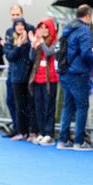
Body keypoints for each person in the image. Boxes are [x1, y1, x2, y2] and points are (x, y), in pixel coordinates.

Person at [57, 4, 93, 151]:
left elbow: (74, 49)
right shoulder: (84, 30)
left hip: (65, 71)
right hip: (78, 73)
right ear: (88, 15)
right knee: (82, 106)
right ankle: (79, 141)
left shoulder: (68, 28)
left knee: (68, 106)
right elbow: (86, 53)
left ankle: (63, 140)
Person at [2, 4, 35, 138]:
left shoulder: (30, 29)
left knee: (27, 103)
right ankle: (17, 128)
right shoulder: (9, 32)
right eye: (13, 15)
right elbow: (8, 53)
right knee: (11, 101)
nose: (15, 17)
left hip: (27, 73)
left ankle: (28, 130)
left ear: (22, 14)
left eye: (17, 14)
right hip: (13, 72)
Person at [28, 18, 59, 146]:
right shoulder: (38, 41)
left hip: (50, 79)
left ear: (51, 28)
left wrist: (40, 42)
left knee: (49, 107)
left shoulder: (57, 41)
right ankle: (41, 132)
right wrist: (32, 45)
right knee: (39, 107)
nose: (44, 30)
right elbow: (31, 57)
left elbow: (49, 53)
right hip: (37, 78)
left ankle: (49, 134)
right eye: (41, 28)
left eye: (46, 27)